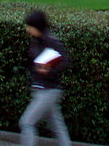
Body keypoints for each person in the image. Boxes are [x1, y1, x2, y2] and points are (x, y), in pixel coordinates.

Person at [21, 10, 71, 146]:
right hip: (41, 89)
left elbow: (65, 61)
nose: (28, 30)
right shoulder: (36, 41)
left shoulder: (52, 42)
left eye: (30, 27)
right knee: (58, 127)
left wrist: (49, 70)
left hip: (48, 90)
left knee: (26, 122)